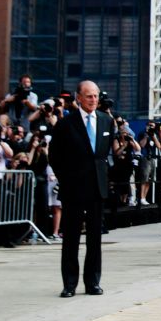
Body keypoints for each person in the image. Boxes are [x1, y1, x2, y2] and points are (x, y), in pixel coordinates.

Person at [48, 80, 116, 298]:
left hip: (97, 188)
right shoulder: (65, 124)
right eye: (88, 96)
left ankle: (93, 282)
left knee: (95, 238)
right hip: (73, 188)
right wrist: (66, 179)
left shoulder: (106, 121)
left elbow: (105, 155)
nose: (93, 100)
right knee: (71, 239)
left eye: (96, 96)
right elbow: (54, 156)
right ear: (78, 98)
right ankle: (69, 284)